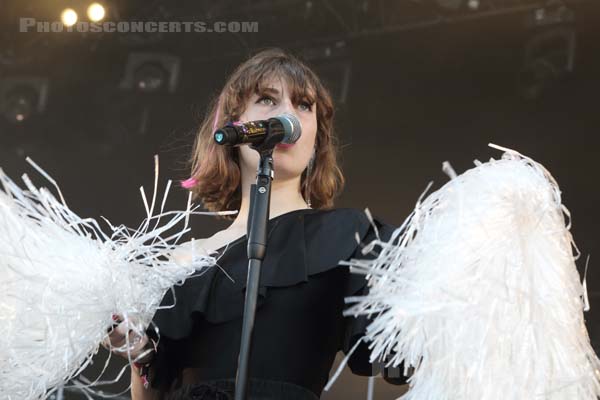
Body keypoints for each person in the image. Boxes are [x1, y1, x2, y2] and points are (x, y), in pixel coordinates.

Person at [107, 48, 407, 400]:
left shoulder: (347, 236)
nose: (286, 115)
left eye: (303, 105)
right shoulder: (185, 261)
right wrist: (138, 355)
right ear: (233, 128)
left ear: (315, 143)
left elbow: (400, 347)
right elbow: (151, 394)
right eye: (267, 99)